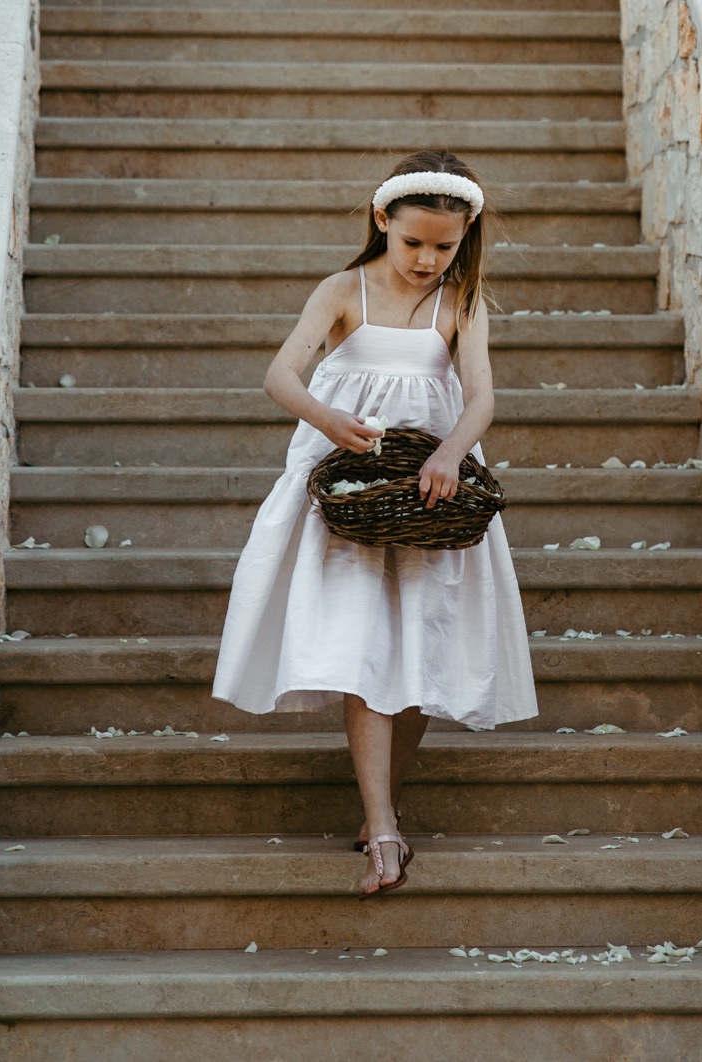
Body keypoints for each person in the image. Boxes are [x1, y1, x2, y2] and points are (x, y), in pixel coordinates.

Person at [211, 151, 538, 899]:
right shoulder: (342, 291)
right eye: (413, 241)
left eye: (443, 246)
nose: (426, 259)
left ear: (464, 240)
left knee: (420, 648)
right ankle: (383, 826)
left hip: (429, 496)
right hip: (348, 495)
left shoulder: (463, 301)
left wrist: (454, 450)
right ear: (380, 220)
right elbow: (280, 375)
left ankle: (383, 798)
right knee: (364, 650)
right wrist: (327, 419)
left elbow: (481, 395)